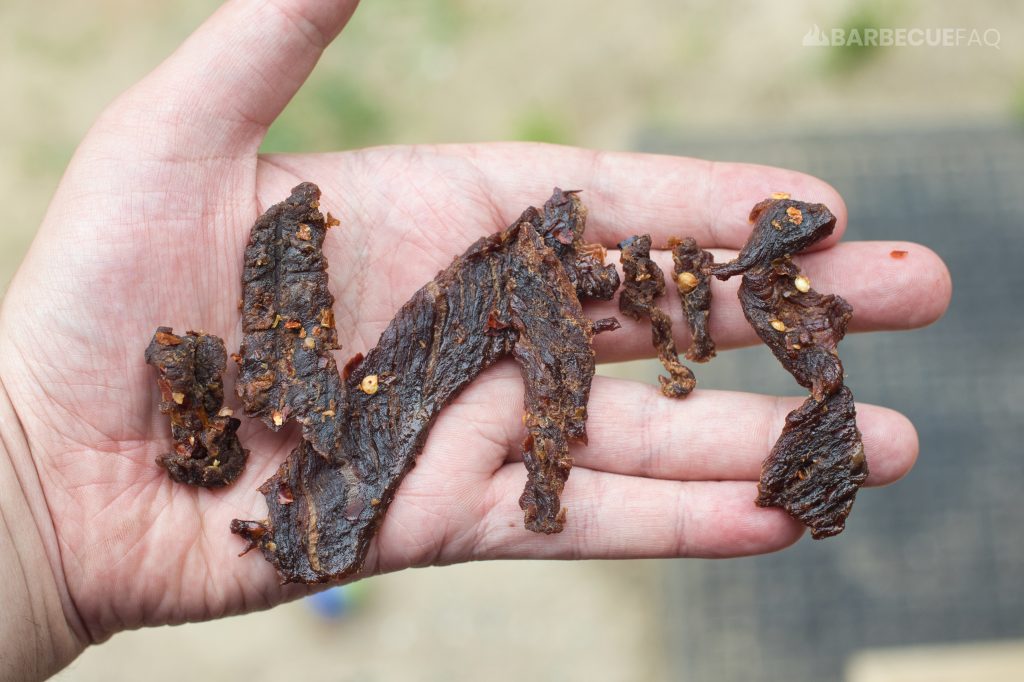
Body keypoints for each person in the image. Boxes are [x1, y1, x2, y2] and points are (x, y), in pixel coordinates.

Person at [0, 1, 951, 678]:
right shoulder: (338, 350)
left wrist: (37, 516)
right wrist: (32, 500)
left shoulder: (522, 283)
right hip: (348, 437)